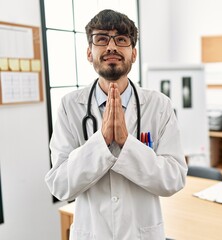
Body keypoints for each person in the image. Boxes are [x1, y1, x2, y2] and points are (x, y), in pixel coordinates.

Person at [45, 9, 187, 240]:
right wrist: (100, 143)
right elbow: (60, 185)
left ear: (134, 53)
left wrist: (126, 143)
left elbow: (174, 178)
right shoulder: (70, 106)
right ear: (89, 53)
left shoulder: (159, 105)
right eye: (101, 39)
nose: (111, 46)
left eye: (121, 39)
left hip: (142, 233)